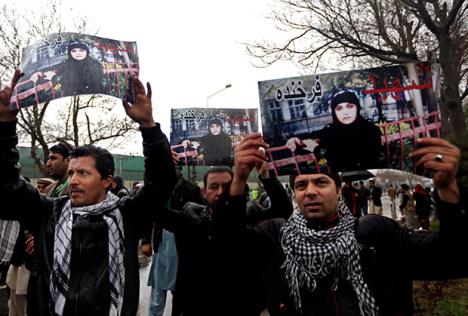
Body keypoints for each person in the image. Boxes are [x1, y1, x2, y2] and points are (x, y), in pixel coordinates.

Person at [226, 133, 468, 316]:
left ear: (339, 190)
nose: (310, 192)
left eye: (321, 183)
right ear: (295, 194)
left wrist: (448, 190)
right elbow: (227, 246)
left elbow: (453, 257)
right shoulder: (276, 237)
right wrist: (238, 180)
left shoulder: (377, 233)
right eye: (301, 186)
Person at [0, 70, 176, 315]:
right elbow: (6, 186)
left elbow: (162, 182)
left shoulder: (128, 214)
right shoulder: (48, 212)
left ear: (107, 181)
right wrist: (6, 125)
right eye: (71, 173)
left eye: (83, 173)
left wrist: (148, 125)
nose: (73, 180)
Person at [314, 90, 384, 172]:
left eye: (350, 106)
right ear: (334, 112)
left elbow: (376, 158)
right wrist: (297, 142)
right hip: (341, 180)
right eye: (339, 109)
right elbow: (312, 146)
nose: (345, 112)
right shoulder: (329, 132)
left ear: (357, 108)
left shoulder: (371, 130)